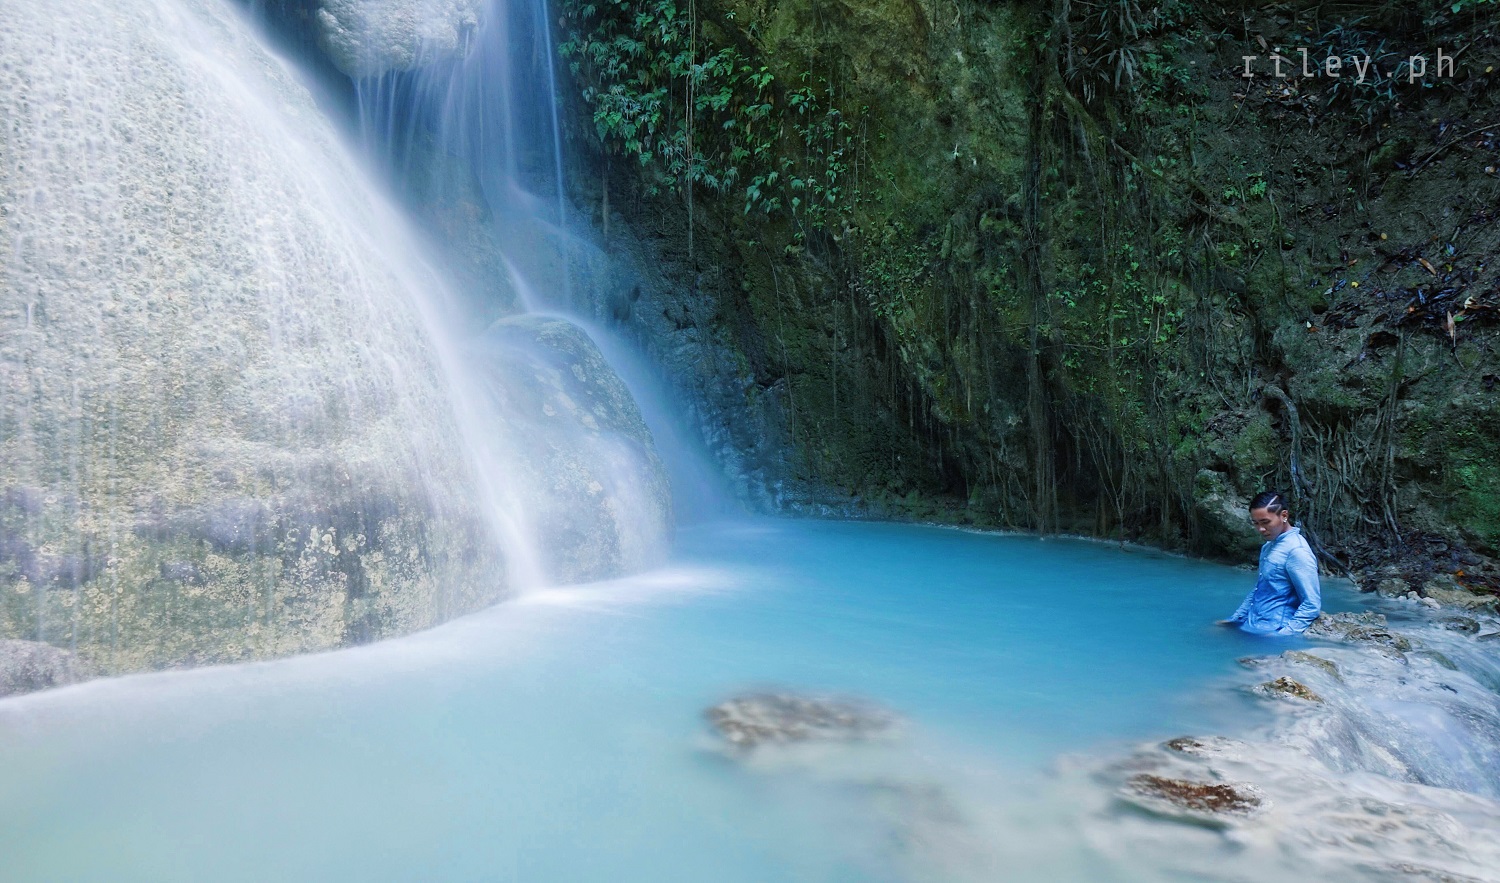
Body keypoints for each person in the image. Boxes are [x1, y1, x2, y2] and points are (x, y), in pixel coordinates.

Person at [1220, 491, 1322, 635]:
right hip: (1251, 625)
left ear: (1284, 516)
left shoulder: (1297, 551)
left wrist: (1281, 635)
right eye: (1255, 523)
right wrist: (1234, 619)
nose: (1260, 529)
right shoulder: (1268, 546)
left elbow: (1311, 605)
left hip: (1273, 632)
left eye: (1265, 522)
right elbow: (1260, 588)